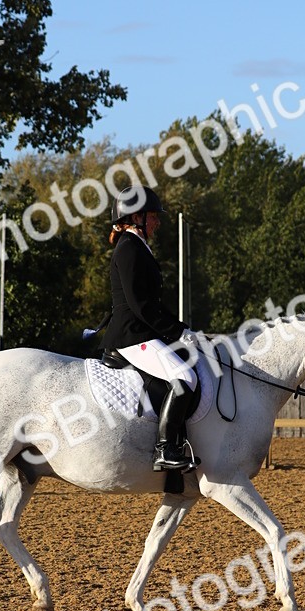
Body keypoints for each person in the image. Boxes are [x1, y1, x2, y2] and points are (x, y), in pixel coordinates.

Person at [101, 186, 200, 472]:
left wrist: (181, 329)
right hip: (133, 335)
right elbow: (141, 305)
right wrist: (180, 332)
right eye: (153, 216)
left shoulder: (137, 245)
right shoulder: (129, 247)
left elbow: (152, 304)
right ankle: (165, 449)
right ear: (136, 216)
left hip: (142, 331)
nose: (157, 221)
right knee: (185, 377)